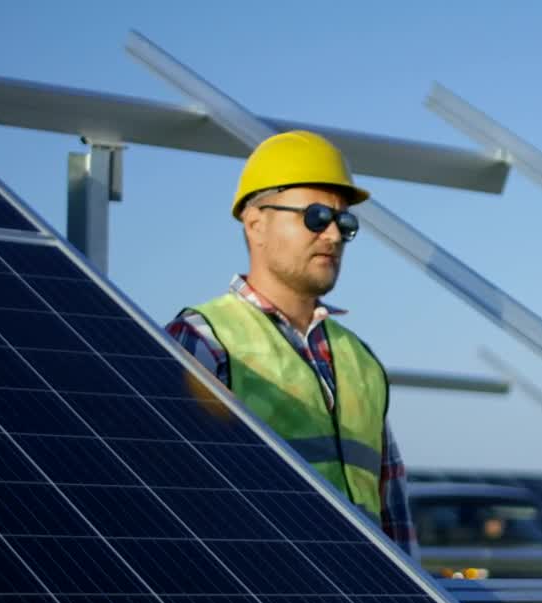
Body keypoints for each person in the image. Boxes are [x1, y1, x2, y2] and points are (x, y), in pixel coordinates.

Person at [166, 130, 416, 556]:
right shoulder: (203, 341)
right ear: (256, 223)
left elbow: (392, 514)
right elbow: (174, 504)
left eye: (345, 222)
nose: (334, 235)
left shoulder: (361, 362)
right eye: (316, 217)